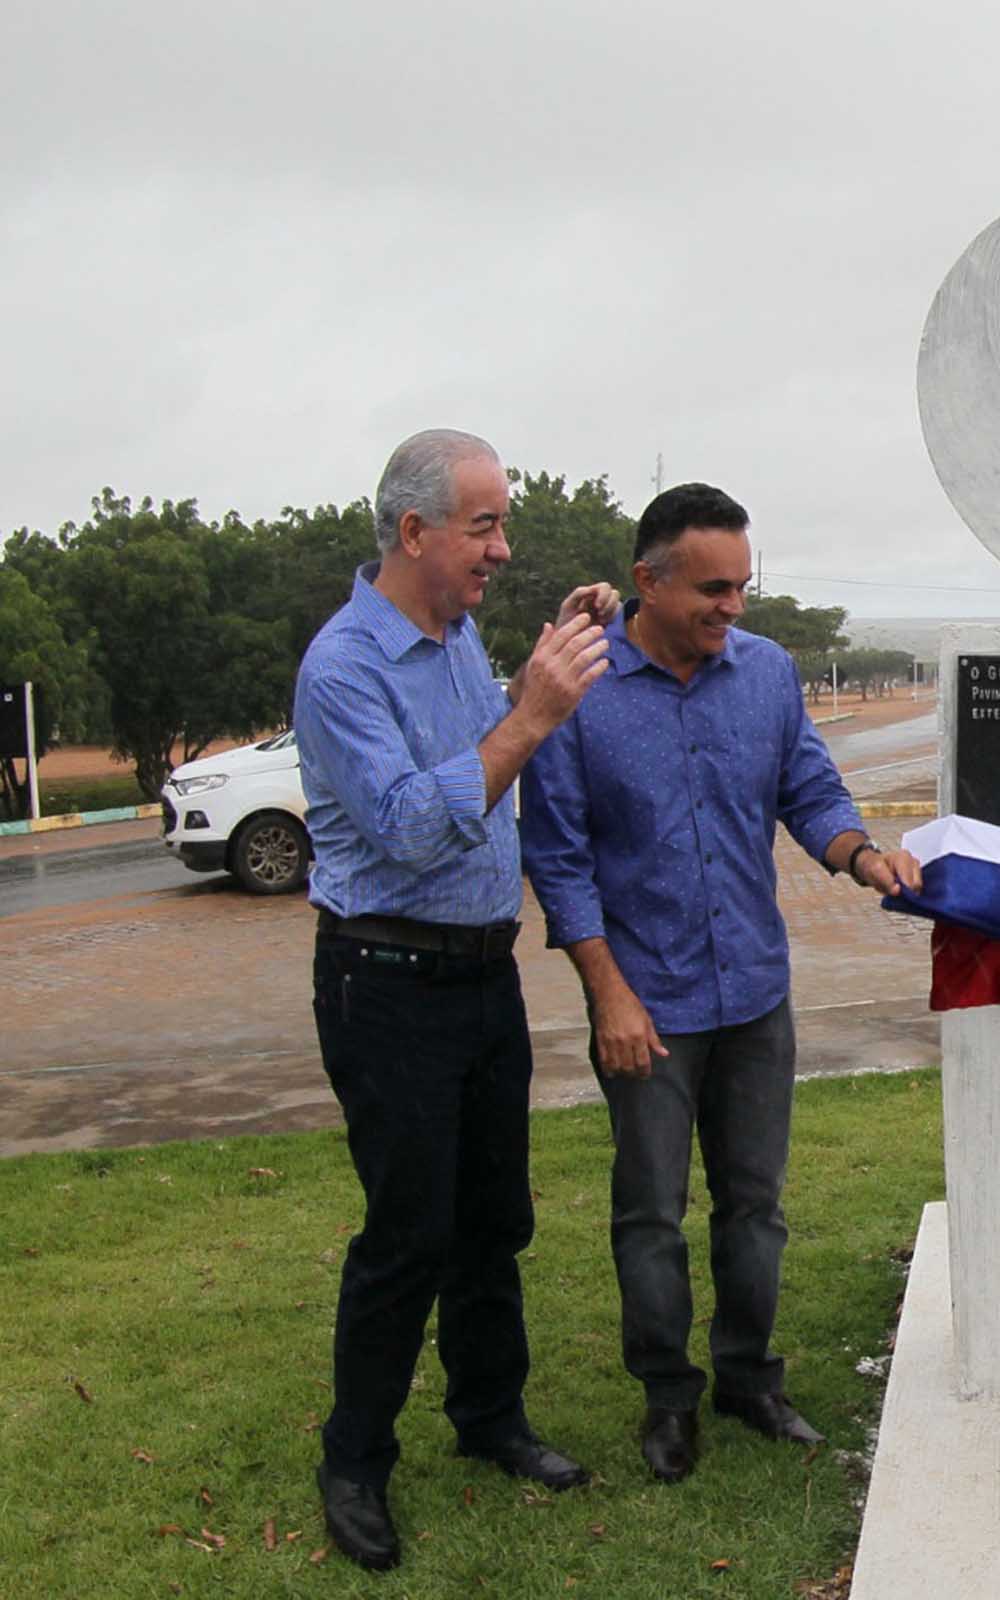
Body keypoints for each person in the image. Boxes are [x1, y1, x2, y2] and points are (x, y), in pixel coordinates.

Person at [519, 484, 922, 1485]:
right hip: (645, 1003)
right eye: (711, 589)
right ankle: (668, 1396)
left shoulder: (768, 672)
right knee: (650, 1211)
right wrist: (608, 994)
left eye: (742, 586)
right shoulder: (579, 689)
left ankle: (749, 1379)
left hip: (754, 991)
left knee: (755, 1204)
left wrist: (862, 856)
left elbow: (808, 788)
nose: (731, 606)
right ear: (647, 581)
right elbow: (559, 859)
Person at [295, 428, 619, 1572]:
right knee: (410, 1231)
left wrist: (547, 659)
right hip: (385, 982)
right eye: (484, 526)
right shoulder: (342, 668)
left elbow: (478, 745)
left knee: (493, 1218)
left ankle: (490, 1417)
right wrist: (534, 715)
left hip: (481, 974)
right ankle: (354, 1460)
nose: (503, 546)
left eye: (503, 523)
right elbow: (409, 826)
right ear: (414, 530)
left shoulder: (456, 635)